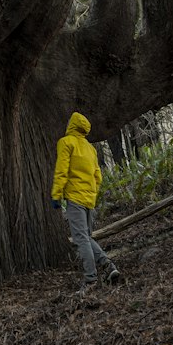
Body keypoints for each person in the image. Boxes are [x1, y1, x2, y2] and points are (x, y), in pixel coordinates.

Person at [51, 111, 120, 288]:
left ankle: (90, 279)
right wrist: (92, 193)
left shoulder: (66, 143)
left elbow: (61, 171)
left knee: (81, 239)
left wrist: (56, 194)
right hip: (89, 199)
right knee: (86, 237)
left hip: (74, 198)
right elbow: (98, 176)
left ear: (71, 125)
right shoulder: (90, 148)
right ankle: (108, 265)